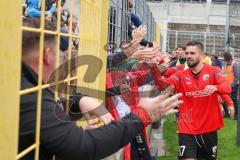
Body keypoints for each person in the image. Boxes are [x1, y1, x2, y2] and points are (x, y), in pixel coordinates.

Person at [19, 18, 183, 160]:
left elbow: (135, 78)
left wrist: (79, 102)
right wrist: (141, 113)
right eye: (60, 55)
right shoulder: (30, 97)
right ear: (48, 56)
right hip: (123, 120)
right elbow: (82, 147)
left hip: (124, 121)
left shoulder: (29, 88)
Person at [148, 41, 231, 160]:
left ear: (201, 55)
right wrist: (154, 68)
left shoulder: (214, 71)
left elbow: (227, 88)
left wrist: (216, 87)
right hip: (187, 127)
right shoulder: (180, 74)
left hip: (209, 128)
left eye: (192, 53)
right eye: (187, 53)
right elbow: (165, 86)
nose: (188, 56)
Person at [222, 51, 239, 120]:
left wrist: (232, 85)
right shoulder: (225, 64)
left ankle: (236, 115)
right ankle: (227, 114)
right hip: (226, 85)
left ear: (227, 57)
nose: (224, 59)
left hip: (234, 85)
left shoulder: (235, 64)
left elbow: (237, 76)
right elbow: (223, 74)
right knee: (223, 99)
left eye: (224, 57)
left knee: (234, 99)